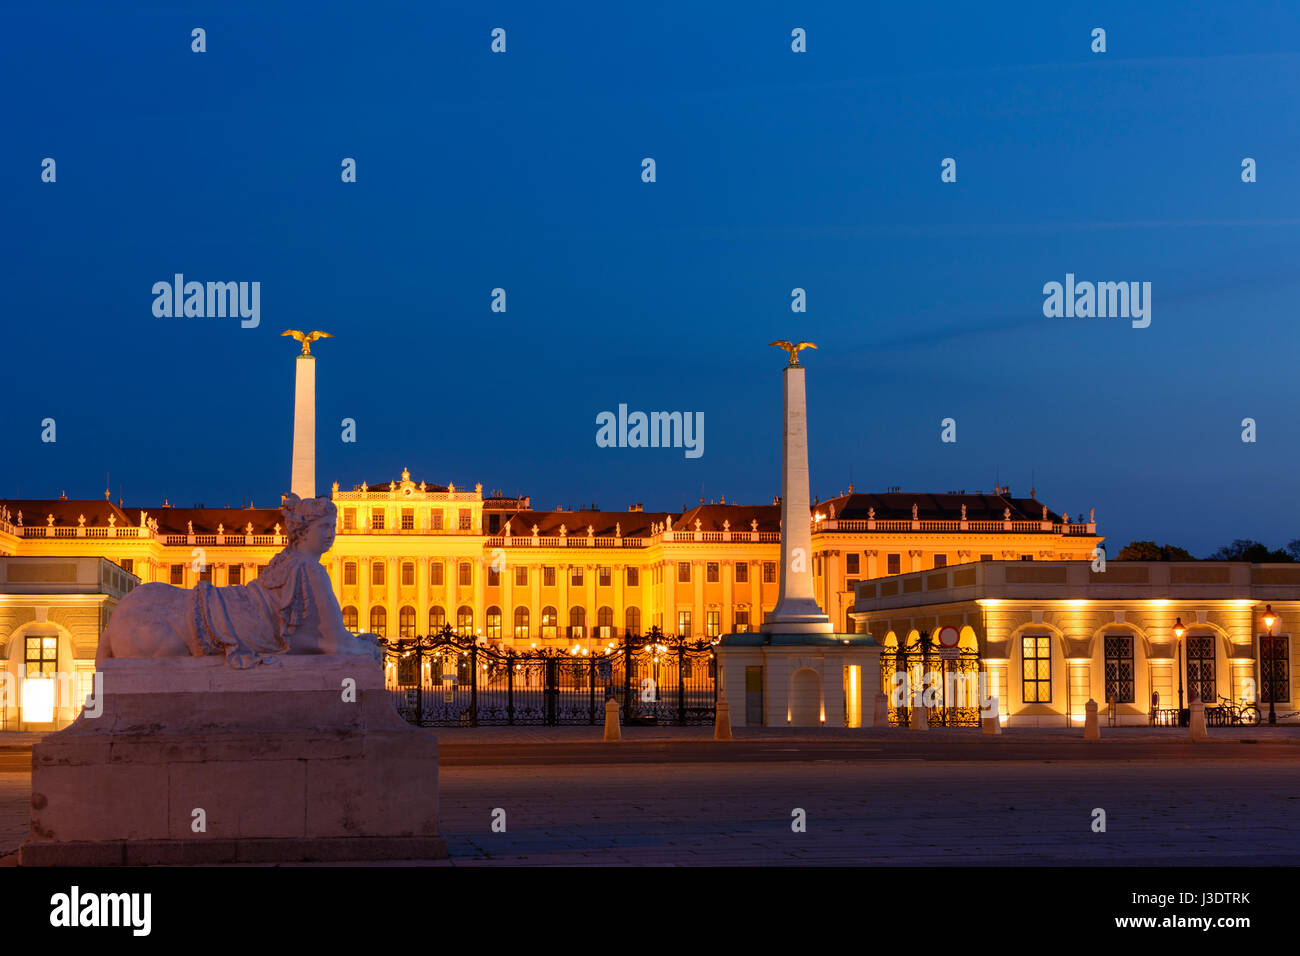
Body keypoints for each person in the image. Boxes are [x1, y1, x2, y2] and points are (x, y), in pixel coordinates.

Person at [96, 494, 380, 668]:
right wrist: (368, 646)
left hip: (228, 605)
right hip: (238, 621)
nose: (331, 533)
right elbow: (336, 645)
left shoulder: (284, 562)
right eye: (325, 527)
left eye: (333, 526)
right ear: (304, 532)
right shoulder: (309, 570)